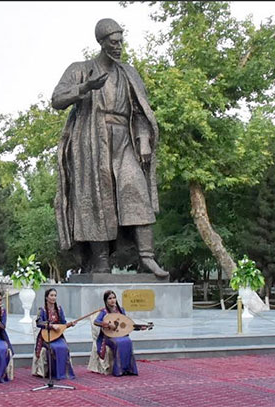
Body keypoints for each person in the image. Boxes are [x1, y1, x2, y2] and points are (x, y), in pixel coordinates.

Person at [51, 18, 167, 278]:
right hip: (93, 141)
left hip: (124, 138)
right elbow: (57, 99)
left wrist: (144, 139)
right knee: (96, 199)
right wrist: (85, 87)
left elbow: (140, 111)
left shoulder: (128, 73)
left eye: (121, 42)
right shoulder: (80, 69)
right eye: (113, 43)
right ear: (101, 43)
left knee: (135, 190)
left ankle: (147, 257)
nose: (119, 47)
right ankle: (101, 260)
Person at [92, 290, 140, 376]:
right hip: (108, 337)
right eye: (110, 298)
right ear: (106, 301)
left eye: (114, 298)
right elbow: (96, 322)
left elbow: (126, 325)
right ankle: (119, 370)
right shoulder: (104, 312)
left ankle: (129, 369)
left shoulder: (121, 310)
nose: (112, 300)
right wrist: (107, 324)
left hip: (120, 334)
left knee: (128, 341)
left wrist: (139, 328)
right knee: (119, 342)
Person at [34, 288, 76, 380]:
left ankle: (63, 373)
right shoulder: (42, 310)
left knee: (64, 347)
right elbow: (38, 323)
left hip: (57, 336)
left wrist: (70, 324)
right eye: (51, 295)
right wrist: (51, 326)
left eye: (55, 295)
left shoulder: (59, 309)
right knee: (54, 348)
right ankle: (53, 373)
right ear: (46, 297)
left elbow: (63, 323)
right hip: (45, 337)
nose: (53, 298)